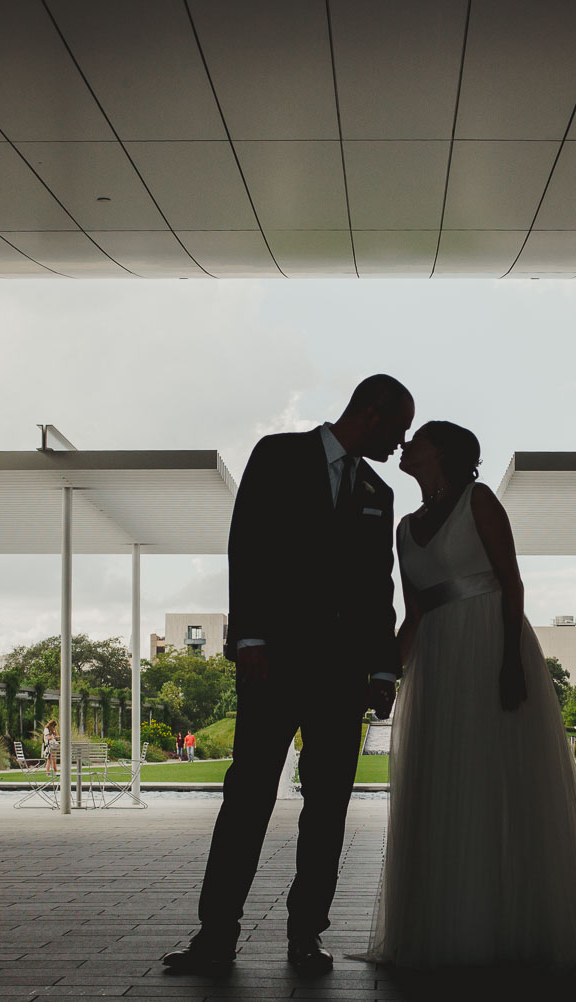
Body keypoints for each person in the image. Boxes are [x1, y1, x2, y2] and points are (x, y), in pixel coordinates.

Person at [363, 420, 576, 979]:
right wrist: (386, 674)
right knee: (443, 785)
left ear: (445, 452)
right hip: (435, 664)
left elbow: (512, 581)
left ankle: (514, 924)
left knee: (496, 780)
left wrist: (510, 662)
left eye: (419, 438)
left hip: (488, 648)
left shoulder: (479, 501)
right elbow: (416, 610)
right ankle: (452, 926)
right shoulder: (404, 528)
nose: (406, 444)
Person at [163, 375, 413, 976]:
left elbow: (380, 584)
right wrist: (249, 635)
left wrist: (383, 667)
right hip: (270, 665)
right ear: (372, 414)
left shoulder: (379, 490)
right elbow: (246, 543)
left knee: (328, 809)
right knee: (246, 799)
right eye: (399, 428)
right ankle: (215, 934)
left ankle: (306, 936)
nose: (401, 445)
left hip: (343, 678)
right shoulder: (277, 454)